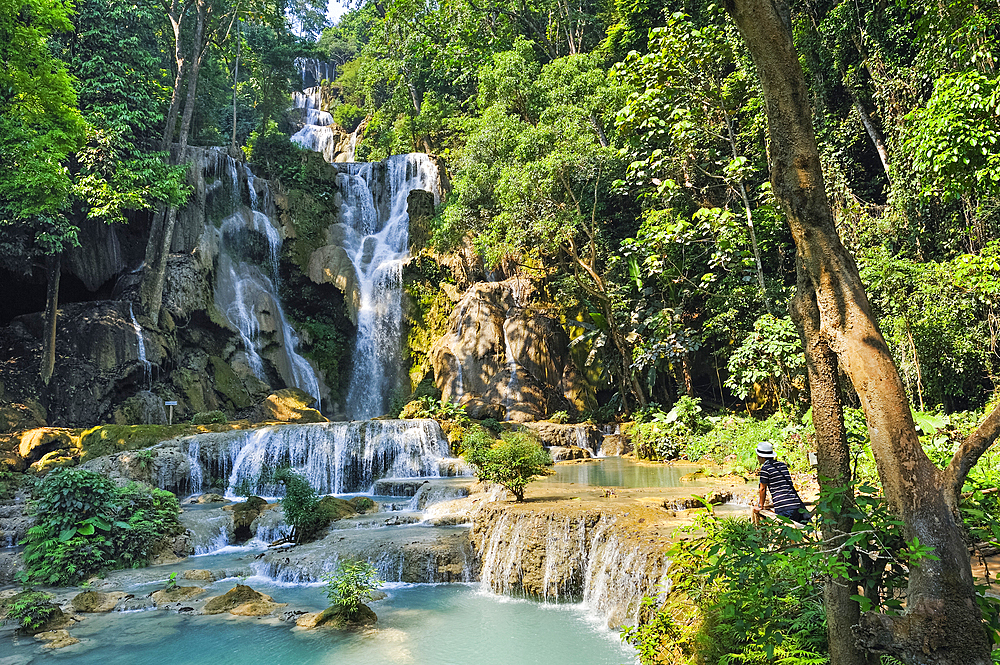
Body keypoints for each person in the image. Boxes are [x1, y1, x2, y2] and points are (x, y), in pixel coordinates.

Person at [751, 441, 810, 525]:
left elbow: (762, 488)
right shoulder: (782, 465)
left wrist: (760, 506)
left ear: (761, 457)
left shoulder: (765, 468)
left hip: (783, 507)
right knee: (796, 533)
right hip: (796, 504)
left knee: (785, 533)